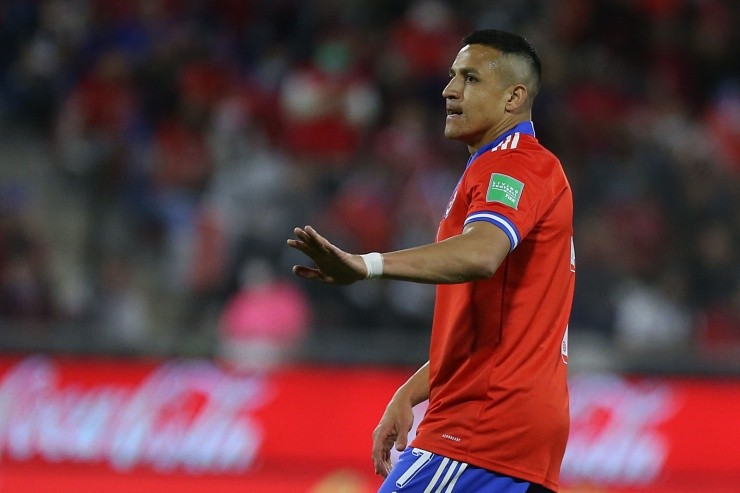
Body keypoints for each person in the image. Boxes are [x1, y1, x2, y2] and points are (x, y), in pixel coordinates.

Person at [287, 29, 574, 493]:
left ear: (513, 97)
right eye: (452, 76)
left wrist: (366, 265)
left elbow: (481, 253)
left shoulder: (514, 163)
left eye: (470, 78)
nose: (449, 90)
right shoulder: (503, 167)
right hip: (512, 426)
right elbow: (490, 327)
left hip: (482, 426)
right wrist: (411, 392)